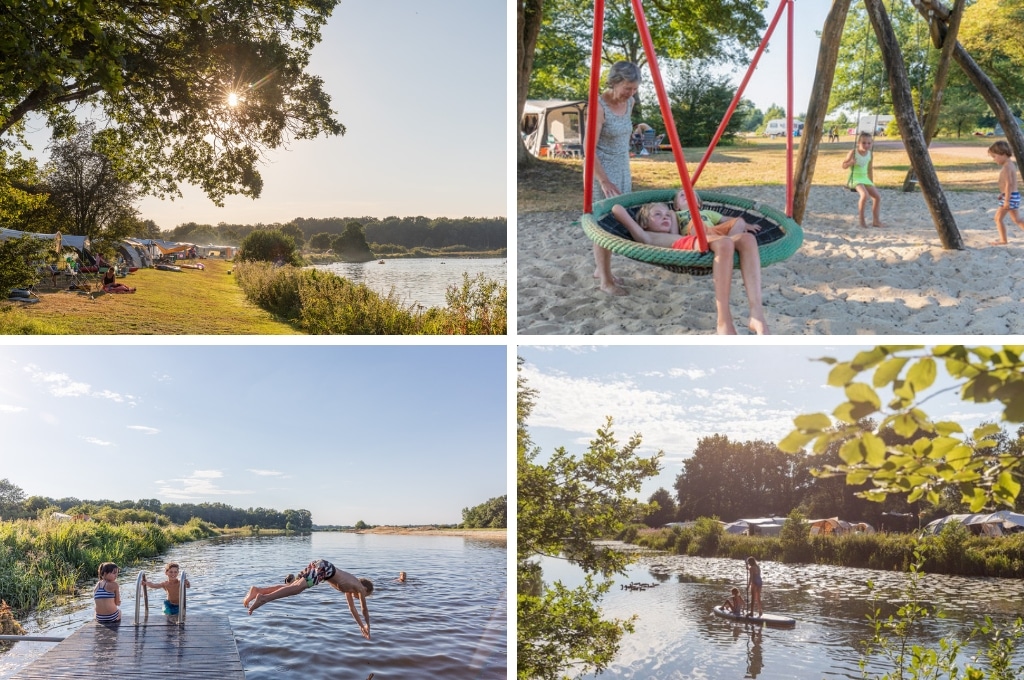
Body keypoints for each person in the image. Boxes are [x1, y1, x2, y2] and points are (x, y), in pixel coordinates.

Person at [610, 190, 770, 335]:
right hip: (687, 244)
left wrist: (672, 216)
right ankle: (724, 320)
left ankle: (757, 314)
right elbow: (617, 208)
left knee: (748, 239)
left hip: (694, 240)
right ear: (644, 223)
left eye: (667, 215)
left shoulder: (674, 229)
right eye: (657, 215)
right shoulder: (644, 235)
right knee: (725, 243)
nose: (665, 217)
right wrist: (622, 198)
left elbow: (676, 230)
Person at [591, 61, 642, 296]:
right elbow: (588, 149)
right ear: (614, 83)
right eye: (627, 88)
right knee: (605, 224)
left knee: (616, 220)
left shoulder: (629, 102)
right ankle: (605, 281)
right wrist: (603, 180)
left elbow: (624, 133)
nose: (631, 94)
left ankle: (602, 270)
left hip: (622, 165)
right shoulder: (598, 106)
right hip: (601, 169)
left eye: (634, 89)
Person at [243, 559, 373, 639]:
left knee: (292, 586)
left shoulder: (350, 589)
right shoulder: (360, 588)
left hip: (321, 566)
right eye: (365, 596)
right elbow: (364, 609)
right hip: (325, 569)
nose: (360, 597)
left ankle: (258, 591)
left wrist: (361, 626)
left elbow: (352, 609)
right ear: (365, 589)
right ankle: (263, 599)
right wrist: (368, 625)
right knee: (298, 588)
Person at [842, 132, 885, 228]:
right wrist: (850, 163)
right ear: (858, 143)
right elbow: (843, 166)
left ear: (872, 143)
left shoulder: (870, 154)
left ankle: (876, 221)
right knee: (864, 195)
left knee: (877, 197)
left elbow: (869, 169)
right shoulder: (853, 152)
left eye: (869, 143)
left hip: (865, 178)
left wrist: (871, 182)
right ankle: (862, 221)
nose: (866, 145)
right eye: (864, 143)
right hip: (855, 178)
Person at [987, 140, 1024, 245]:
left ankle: (1003, 240)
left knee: (998, 218)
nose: (994, 160)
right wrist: (1003, 194)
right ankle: (1003, 240)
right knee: (1017, 219)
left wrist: (1006, 200)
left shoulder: (1007, 167)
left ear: (1002, 154)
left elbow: (1009, 184)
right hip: (1012, 195)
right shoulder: (1009, 164)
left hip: (1010, 197)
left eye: (995, 156)